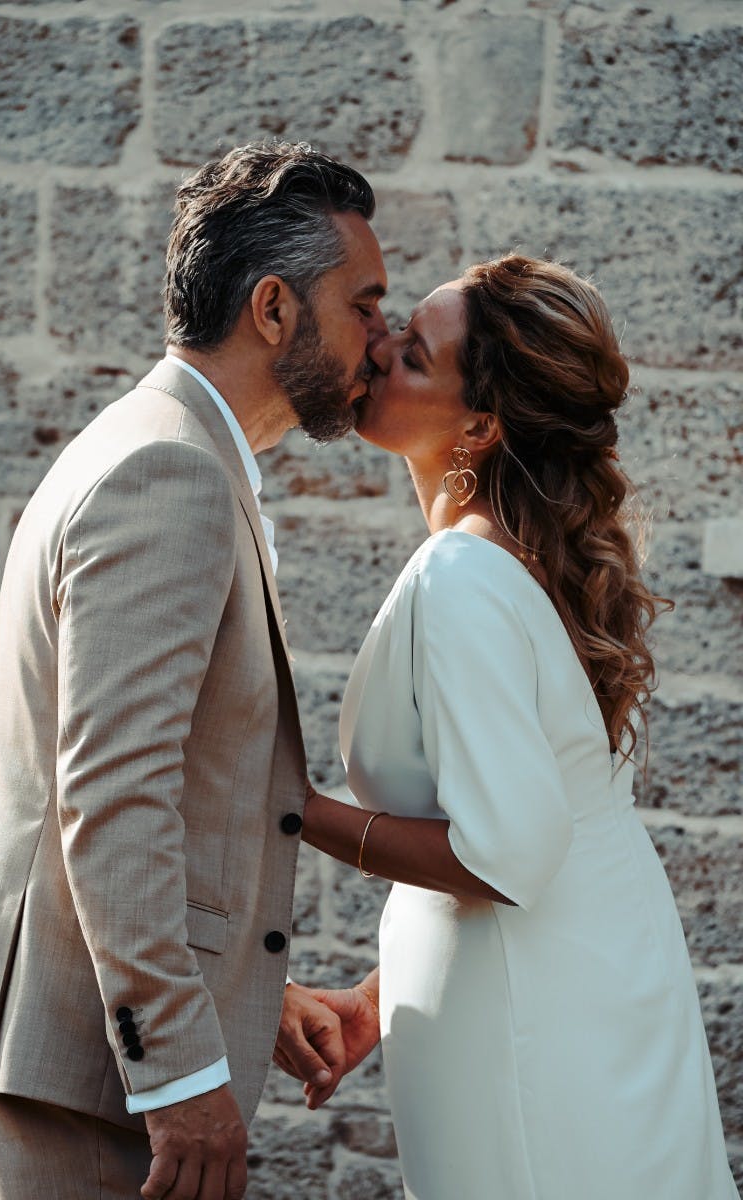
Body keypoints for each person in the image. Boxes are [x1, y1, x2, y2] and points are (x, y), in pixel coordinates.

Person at [0, 140, 388, 1200]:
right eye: (364, 304)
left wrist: (242, 990)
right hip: (96, 1072)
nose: (384, 336)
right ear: (273, 310)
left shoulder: (162, 446)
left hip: (87, 1044)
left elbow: (178, 781)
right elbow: (113, 795)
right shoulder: (170, 473)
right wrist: (179, 1067)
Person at [277, 256, 739, 1199]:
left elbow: (508, 854)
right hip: (577, 983)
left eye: (411, 354)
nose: (375, 348)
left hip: (542, 1030)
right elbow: (537, 806)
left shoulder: (463, 575)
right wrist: (380, 997)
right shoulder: (507, 560)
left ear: (480, 426)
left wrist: (287, 809)